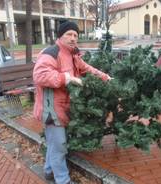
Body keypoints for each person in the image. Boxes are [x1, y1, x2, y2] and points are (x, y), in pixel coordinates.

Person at [33, 21, 111, 184]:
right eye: (69, 34)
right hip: (52, 109)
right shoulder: (51, 53)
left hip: (64, 106)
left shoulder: (73, 55)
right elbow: (40, 75)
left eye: (75, 35)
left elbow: (88, 69)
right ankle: (63, 180)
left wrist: (105, 77)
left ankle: (48, 171)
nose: (73, 38)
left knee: (54, 144)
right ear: (60, 36)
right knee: (60, 145)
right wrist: (66, 78)